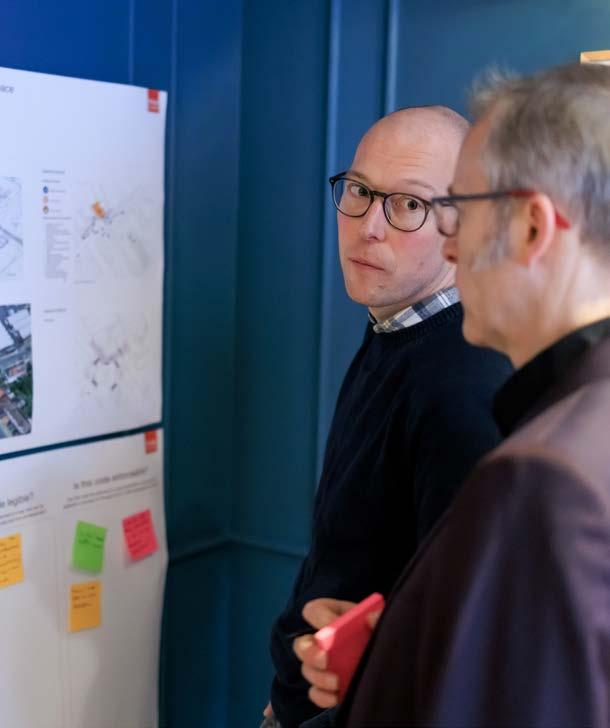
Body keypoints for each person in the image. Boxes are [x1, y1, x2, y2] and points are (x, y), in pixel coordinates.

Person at [295, 63, 610, 727]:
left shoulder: (550, 476)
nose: (450, 245)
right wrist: (393, 652)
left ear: (531, 229)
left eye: (460, 210)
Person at [265, 106, 512, 728]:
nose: (368, 227)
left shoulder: (464, 384)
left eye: (408, 205)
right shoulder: (395, 328)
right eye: (359, 191)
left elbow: (460, 649)